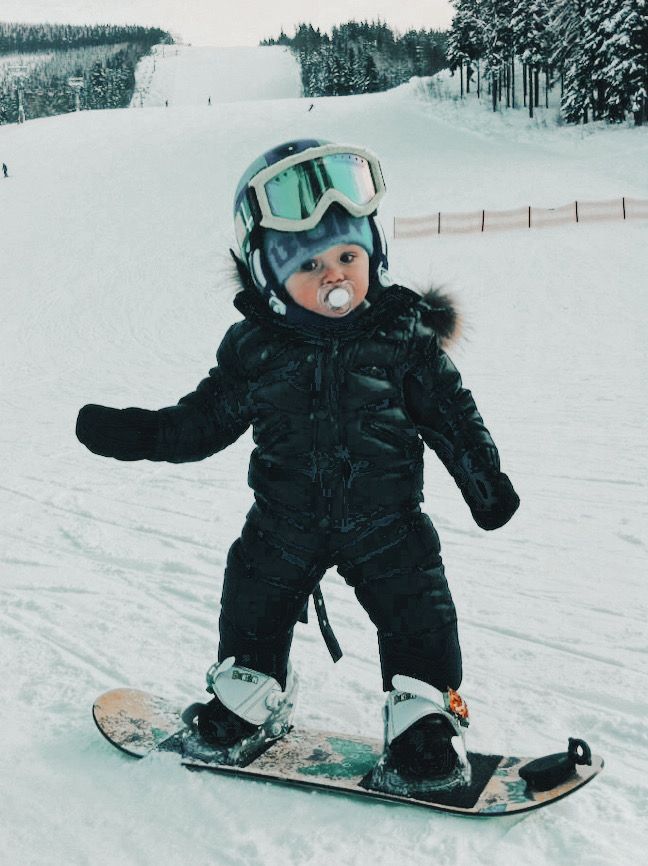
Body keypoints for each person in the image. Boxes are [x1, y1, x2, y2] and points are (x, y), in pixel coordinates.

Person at [76, 140, 519, 792]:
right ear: (268, 278)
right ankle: (250, 694)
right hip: (285, 518)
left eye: (348, 256)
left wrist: (486, 484)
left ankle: (423, 718)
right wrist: (136, 433)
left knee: (418, 609)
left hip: (387, 521)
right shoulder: (255, 349)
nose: (336, 275)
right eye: (310, 264)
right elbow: (199, 424)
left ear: (375, 254)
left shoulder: (404, 341)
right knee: (252, 591)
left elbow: (453, 417)